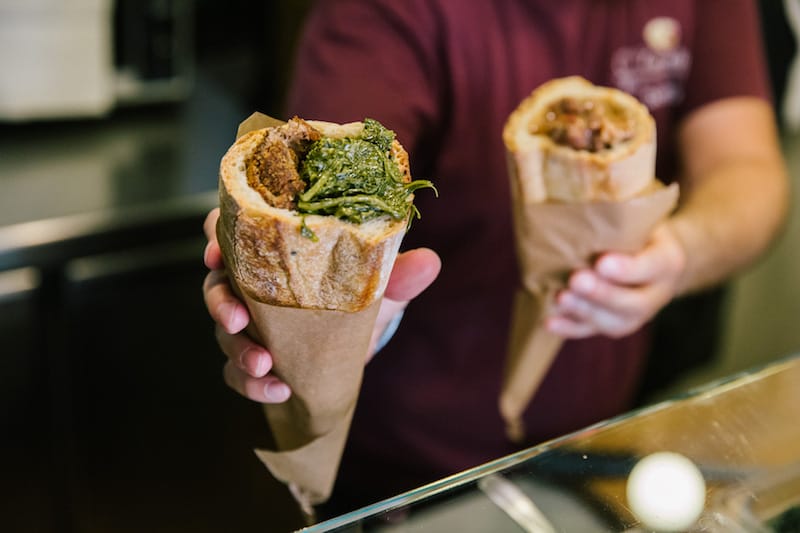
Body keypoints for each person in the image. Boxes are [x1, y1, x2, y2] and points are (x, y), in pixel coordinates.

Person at [202, 0, 789, 519]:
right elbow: (330, 180)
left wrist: (679, 255)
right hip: (407, 475)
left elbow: (747, 168)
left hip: (603, 442)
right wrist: (319, 318)